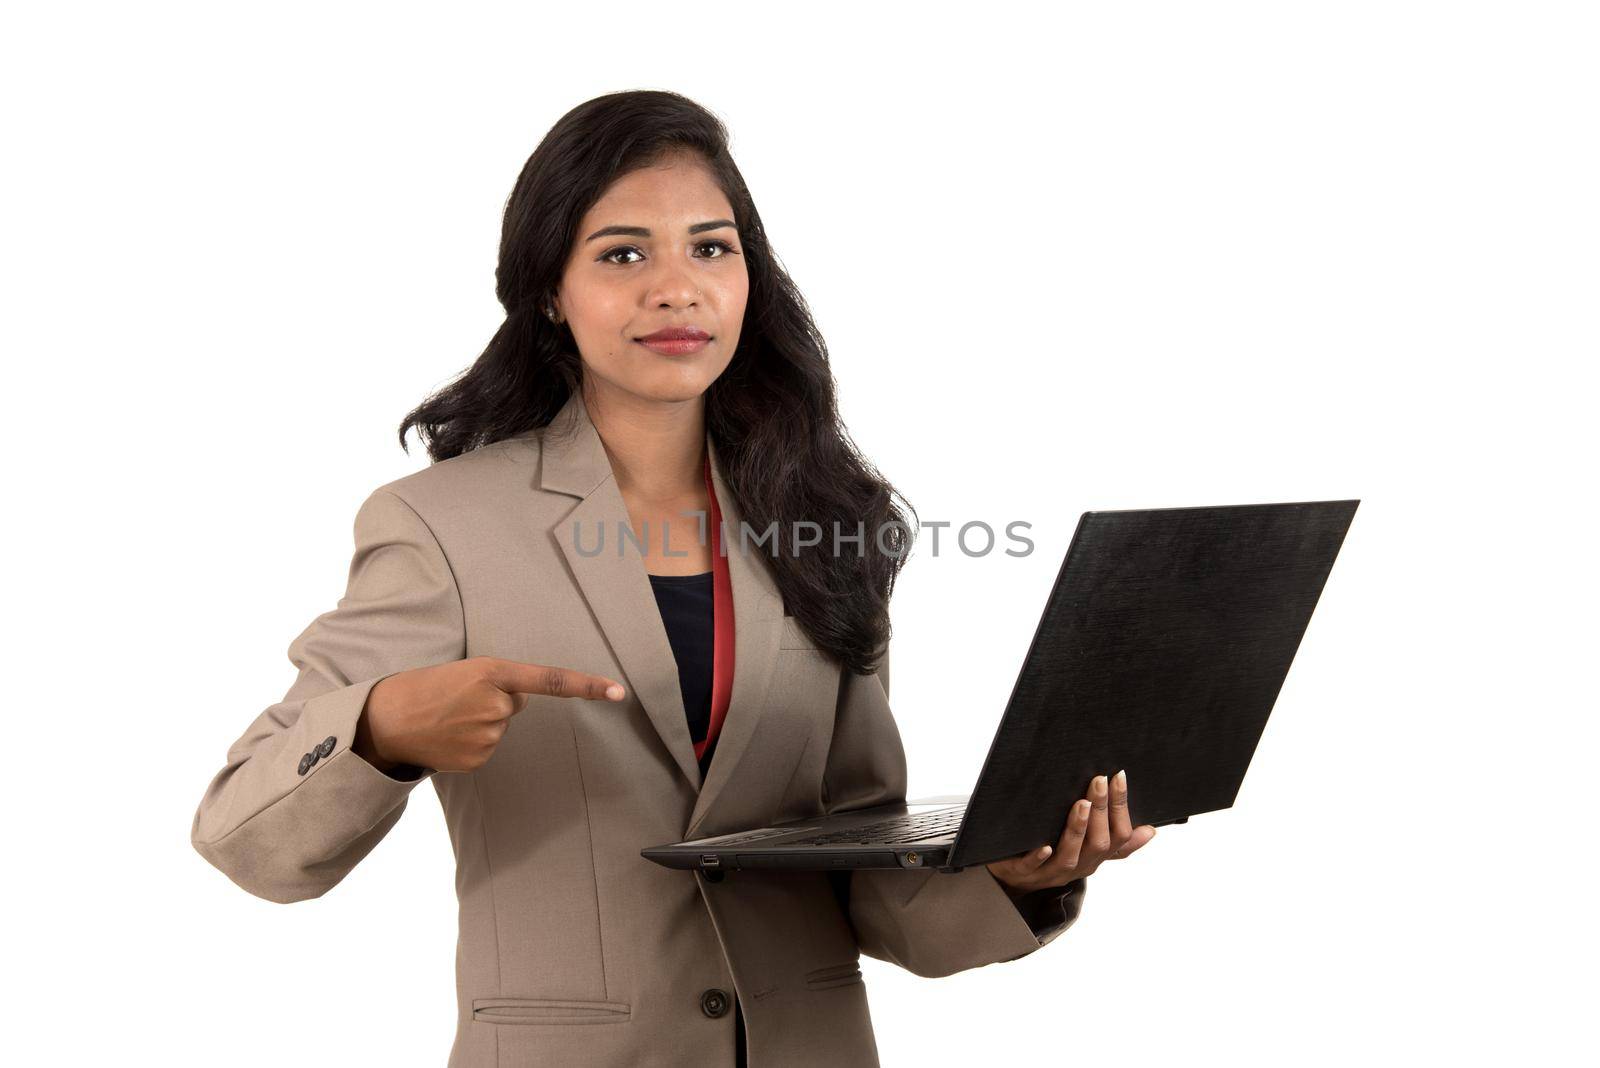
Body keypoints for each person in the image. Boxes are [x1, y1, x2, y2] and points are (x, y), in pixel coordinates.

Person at [190, 88, 1156, 1067]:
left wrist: (1021, 875)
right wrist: (380, 728)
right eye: (621, 254)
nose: (676, 287)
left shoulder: (827, 521)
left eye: (710, 247)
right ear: (547, 293)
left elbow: (864, 877)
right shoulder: (440, 527)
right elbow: (245, 835)